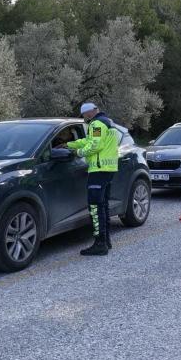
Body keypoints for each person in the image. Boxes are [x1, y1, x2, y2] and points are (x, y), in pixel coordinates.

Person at [66, 103, 120, 256]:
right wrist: (69, 144)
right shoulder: (109, 123)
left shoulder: (96, 124)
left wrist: (77, 152)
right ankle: (106, 241)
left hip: (98, 169)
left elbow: (94, 145)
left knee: (95, 207)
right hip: (109, 169)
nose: (84, 118)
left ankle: (100, 244)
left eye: (84, 115)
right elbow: (89, 141)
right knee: (103, 206)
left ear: (89, 113)